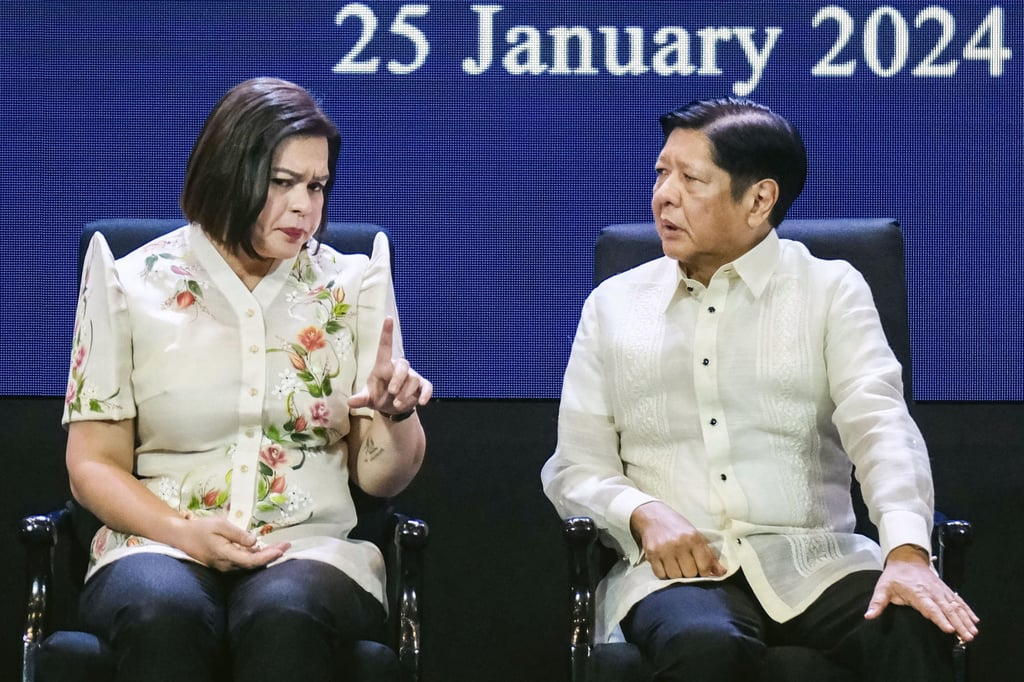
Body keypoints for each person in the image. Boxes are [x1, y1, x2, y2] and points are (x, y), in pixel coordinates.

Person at [541, 97, 978, 681]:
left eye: (690, 179)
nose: (664, 195)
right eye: (661, 173)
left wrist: (905, 551)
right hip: (681, 573)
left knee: (911, 624)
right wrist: (641, 511)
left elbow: (881, 428)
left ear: (759, 200)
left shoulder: (830, 291)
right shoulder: (614, 305)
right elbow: (576, 468)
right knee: (704, 646)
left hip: (817, 562)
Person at [63, 77, 432, 682]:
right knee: (165, 613)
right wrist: (182, 531)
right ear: (227, 173)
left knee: (284, 613)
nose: (304, 206)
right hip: (158, 543)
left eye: (316, 186)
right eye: (282, 182)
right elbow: (93, 464)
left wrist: (397, 416)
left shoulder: (353, 283)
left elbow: (380, 476)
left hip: (308, 547)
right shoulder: (129, 282)